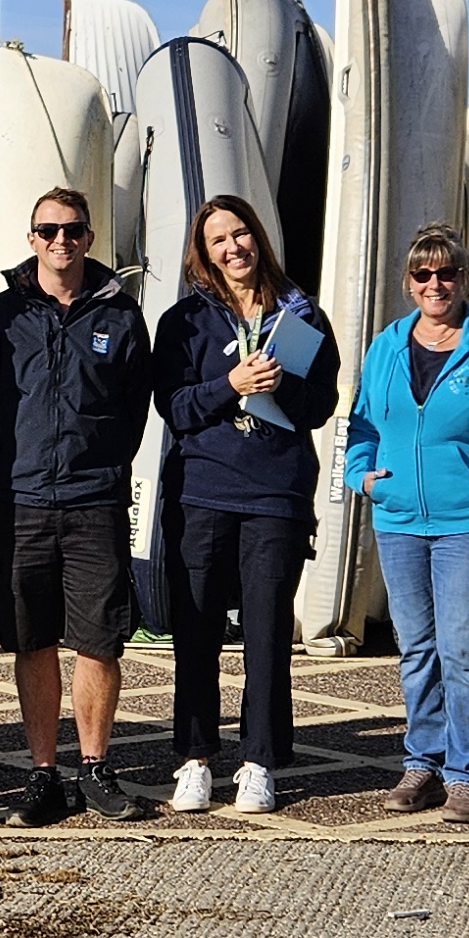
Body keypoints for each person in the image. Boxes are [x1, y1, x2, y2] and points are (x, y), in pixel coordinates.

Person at [0, 186, 157, 825]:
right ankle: (43, 772)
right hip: (20, 501)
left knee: (100, 640)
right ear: (31, 238)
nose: (60, 241)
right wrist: (4, 469)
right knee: (32, 638)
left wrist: (98, 462)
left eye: (72, 230)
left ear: (89, 238)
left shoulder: (121, 317)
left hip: (92, 499)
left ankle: (96, 768)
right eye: (48, 230)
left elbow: (134, 411)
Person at [151, 193, 339, 814]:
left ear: (258, 237)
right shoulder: (184, 322)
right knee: (197, 630)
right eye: (219, 241)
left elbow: (321, 408)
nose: (235, 248)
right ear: (203, 254)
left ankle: (259, 760)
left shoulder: (303, 316)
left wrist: (282, 385)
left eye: (241, 235)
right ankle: (195, 759)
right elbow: (172, 408)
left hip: (275, 494)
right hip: (202, 491)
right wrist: (228, 386)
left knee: (265, 633)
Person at [340, 223, 469, 824]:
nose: (435, 284)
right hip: (397, 520)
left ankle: (468, 775)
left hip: (465, 521)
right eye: (423, 274)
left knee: (461, 648)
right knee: (415, 647)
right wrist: (359, 477)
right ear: (408, 282)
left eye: (446, 273)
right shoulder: (387, 345)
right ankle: (422, 760)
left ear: (464, 280)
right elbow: (362, 424)